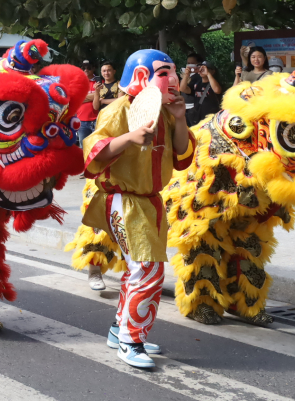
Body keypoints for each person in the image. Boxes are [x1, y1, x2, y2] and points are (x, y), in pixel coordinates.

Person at [82, 49, 194, 369]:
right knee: (148, 269)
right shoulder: (119, 109)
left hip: (151, 202)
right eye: (163, 72)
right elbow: (94, 153)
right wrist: (130, 136)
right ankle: (132, 340)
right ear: (142, 76)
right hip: (124, 200)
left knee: (139, 270)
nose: (172, 78)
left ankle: (121, 331)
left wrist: (181, 116)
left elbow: (183, 155)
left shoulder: (167, 113)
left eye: (173, 71)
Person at [180, 58, 223, 126]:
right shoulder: (196, 83)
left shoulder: (215, 83)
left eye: (205, 68)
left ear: (213, 71)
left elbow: (217, 90)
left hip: (212, 119)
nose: (202, 70)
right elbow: (182, 89)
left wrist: (208, 74)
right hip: (198, 119)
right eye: (200, 68)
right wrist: (186, 75)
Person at [75, 61, 100, 144]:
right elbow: (75, 98)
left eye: (88, 68)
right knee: (83, 148)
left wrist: (83, 97)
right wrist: (94, 95)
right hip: (81, 120)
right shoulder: (78, 82)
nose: (86, 70)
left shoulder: (98, 81)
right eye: (83, 68)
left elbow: (102, 95)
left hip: (97, 119)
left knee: (97, 146)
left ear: (93, 68)